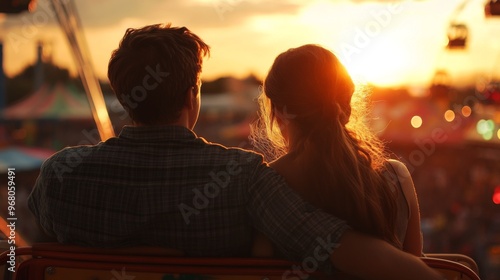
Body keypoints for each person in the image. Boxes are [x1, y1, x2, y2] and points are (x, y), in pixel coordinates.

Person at [28, 23, 441, 280]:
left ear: (124, 96)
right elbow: (335, 244)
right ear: (193, 96)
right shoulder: (243, 180)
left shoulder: (58, 175)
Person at [250, 44, 423, 258]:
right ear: (347, 108)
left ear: (278, 112)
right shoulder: (397, 178)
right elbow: (416, 263)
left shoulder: (265, 186)